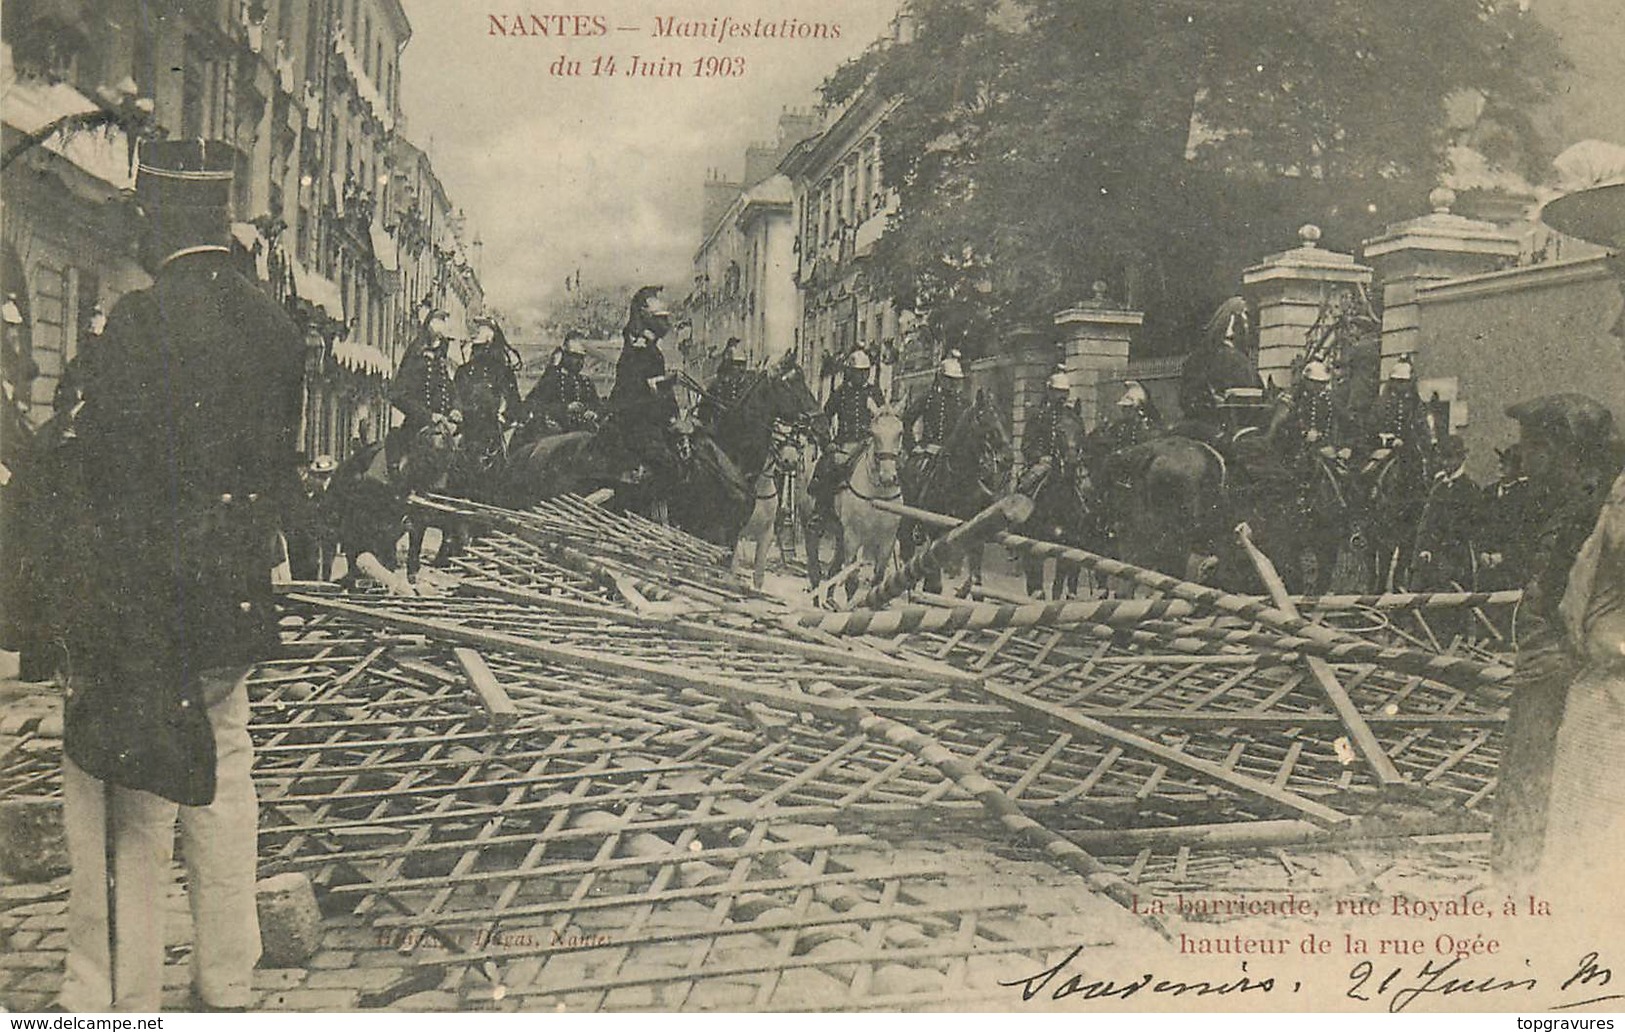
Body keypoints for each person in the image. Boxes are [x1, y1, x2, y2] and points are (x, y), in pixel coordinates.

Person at [56, 139, 304, 1011]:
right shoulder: (275, 324)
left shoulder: (141, 321)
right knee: (225, 772)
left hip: (145, 596)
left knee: (129, 791)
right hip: (232, 596)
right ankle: (227, 978)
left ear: (158, 217)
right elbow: (276, 468)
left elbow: (108, 478)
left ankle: (111, 1002)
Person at [1490, 393, 1618, 885]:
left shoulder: (1592, 510)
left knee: (1537, 780)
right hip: (1552, 664)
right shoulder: (1566, 503)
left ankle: (1522, 887)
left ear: (1562, 452)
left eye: (1531, 446)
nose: (1521, 457)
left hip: (1565, 670)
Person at [808, 349, 886, 521]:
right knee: (826, 467)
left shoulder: (875, 392)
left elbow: (883, 418)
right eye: (858, 373)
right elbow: (824, 418)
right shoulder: (841, 393)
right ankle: (820, 511)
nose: (862, 376)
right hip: (845, 444)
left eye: (865, 372)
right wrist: (827, 443)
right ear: (850, 373)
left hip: (868, 444)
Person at [389, 310, 458, 472]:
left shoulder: (441, 362)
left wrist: (456, 409)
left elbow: (451, 391)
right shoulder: (415, 356)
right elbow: (397, 396)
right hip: (417, 428)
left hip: (443, 431)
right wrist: (428, 416)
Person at [453, 316, 521, 472]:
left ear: (490, 343)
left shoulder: (503, 372)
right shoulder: (463, 372)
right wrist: (457, 412)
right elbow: (455, 397)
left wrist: (505, 417)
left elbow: (515, 404)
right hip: (466, 433)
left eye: (481, 346)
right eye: (476, 347)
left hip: (493, 435)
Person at [1479, 443, 1542, 591]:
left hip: (1511, 571)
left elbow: (1527, 536)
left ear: (1517, 469)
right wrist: (1481, 552)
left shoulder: (1526, 496)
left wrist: (1503, 557)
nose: (1500, 466)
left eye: (1506, 464)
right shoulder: (1488, 493)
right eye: (1500, 462)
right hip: (1486, 569)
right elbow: (1479, 526)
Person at [524, 332, 601, 434]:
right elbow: (534, 404)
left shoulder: (586, 382)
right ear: (565, 356)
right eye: (574, 356)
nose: (579, 361)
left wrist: (593, 413)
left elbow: (596, 404)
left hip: (584, 430)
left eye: (582, 357)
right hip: (558, 432)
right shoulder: (552, 379)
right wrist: (566, 408)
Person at [901, 350, 967, 459]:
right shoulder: (928, 398)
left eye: (956, 380)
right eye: (949, 380)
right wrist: (912, 447)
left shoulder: (964, 404)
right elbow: (906, 421)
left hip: (955, 455)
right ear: (941, 378)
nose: (952, 384)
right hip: (929, 452)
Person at [281, 455, 336, 581]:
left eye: (325, 477)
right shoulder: (294, 494)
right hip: (299, 544)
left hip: (321, 545)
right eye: (318, 476)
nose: (321, 481)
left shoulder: (327, 496)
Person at [697, 338, 750, 433]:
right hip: (720, 432)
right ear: (729, 366)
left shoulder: (745, 386)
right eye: (737, 365)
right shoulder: (716, 385)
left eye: (743, 365)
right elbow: (703, 415)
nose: (741, 369)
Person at [1104, 379, 1161, 453]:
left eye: (1128, 408)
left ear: (1136, 409)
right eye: (1124, 408)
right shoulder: (1120, 425)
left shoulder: (1144, 426)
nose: (1124, 411)